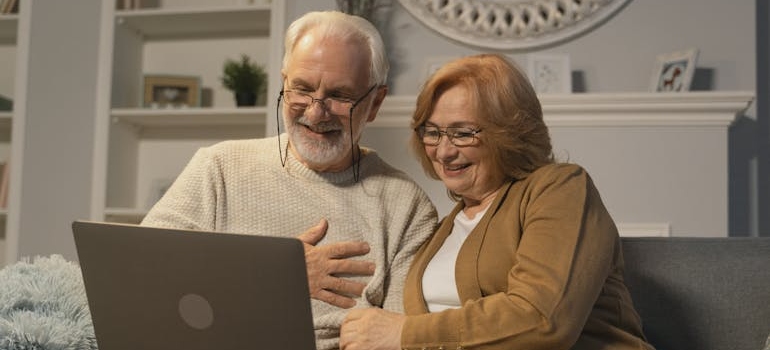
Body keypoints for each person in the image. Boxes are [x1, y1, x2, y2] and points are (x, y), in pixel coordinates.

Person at [141, 11, 438, 350]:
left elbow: (399, 338)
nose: (315, 112)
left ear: (374, 103)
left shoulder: (406, 208)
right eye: (302, 89)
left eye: (340, 95)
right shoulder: (218, 168)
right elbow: (143, 275)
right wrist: (271, 274)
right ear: (283, 82)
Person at [339, 53, 655, 350]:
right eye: (432, 132)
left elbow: (542, 319)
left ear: (509, 133)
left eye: (462, 133)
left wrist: (403, 333)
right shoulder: (446, 227)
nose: (444, 151)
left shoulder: (559, 188)